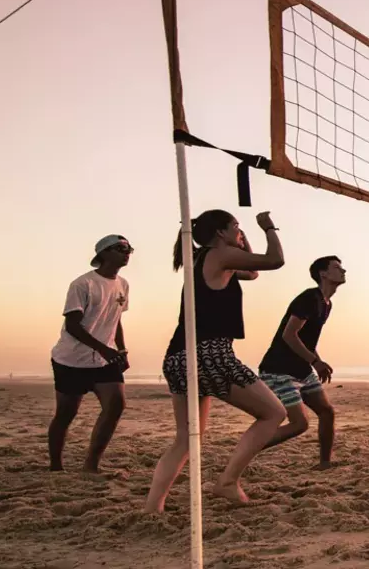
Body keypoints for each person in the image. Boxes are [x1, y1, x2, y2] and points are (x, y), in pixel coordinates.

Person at [145, 210, 287, 512]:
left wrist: (241, 239)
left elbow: (252, 273)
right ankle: (227, 481)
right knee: (273, 413)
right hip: (210, 353)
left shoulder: (205, 259)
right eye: (236, 226)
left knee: (185, 438)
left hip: (178, 356)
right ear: (221, 234)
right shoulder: (220, 255)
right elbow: (274, 260)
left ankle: (152, 507)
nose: (240, 230)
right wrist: (268, 228)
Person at [48, 235, 133, 473]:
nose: (127, 252)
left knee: (116, 405)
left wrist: (121, 349)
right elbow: (73, 326)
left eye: (129, 249)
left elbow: (116, 320)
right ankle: (55, 465)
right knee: (66, 414)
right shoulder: (82, 284)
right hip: (71, 359)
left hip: (104, 361)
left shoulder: (123, 284)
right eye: (120, 248)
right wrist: (103, 348)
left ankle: (91, 465)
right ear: (103, 253)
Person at [258, 256, 346, 469]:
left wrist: (317, 360)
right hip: (278, 370)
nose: (343, 270)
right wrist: (315, 362)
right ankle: (250, 445)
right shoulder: (309, 298)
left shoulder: (327, 304)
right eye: (336, 267)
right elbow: (289, 335)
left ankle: (325, 463)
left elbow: (306, 339)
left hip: (301, 370)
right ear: (323, 274)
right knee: (299, 424)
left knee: (327, 411)